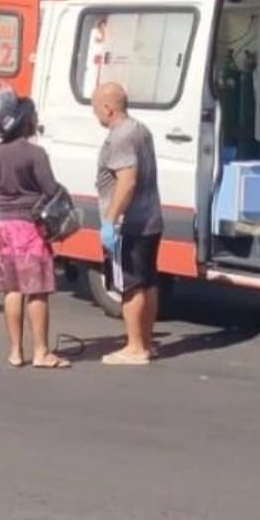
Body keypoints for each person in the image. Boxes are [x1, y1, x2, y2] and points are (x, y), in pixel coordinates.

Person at [0, 89, 69, 370]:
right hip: (29, 227)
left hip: (2, 226)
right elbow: (51, 190)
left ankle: (15, 352)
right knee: (37, 290)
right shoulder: (35, 154)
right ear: (23, 122)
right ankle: (42, 351)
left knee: (11, 289)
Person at [93, 82, 163, 365]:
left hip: (129, 225)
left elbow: (127, 180)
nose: (95, 114)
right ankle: (145, 342)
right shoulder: (140, 128)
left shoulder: (120, 137)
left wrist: (110, 221)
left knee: (130, 286)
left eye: (96, 107)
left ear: (108, 108)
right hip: (150, 220)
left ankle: (135, 347)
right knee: (148, 282)